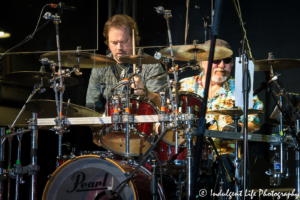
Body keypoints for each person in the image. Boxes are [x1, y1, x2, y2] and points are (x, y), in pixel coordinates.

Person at [179, 39, 264, 154]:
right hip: (189, 153)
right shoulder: (184, 86)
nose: (222, 65)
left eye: (227, 60)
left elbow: (254, 124)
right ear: (202, 62)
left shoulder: (242, 89)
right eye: (216, 59)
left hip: (226, 158)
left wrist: (238, 127)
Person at [86, 14, 166, 111]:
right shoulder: (100, 66)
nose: (119, 47)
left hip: (142, 123)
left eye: (124, 41)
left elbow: (163, 104)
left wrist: (146, 93)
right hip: (111, 124)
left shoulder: (151, 65)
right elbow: (91, 107)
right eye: (114, 43)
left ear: (134, 39)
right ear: (108, 43)